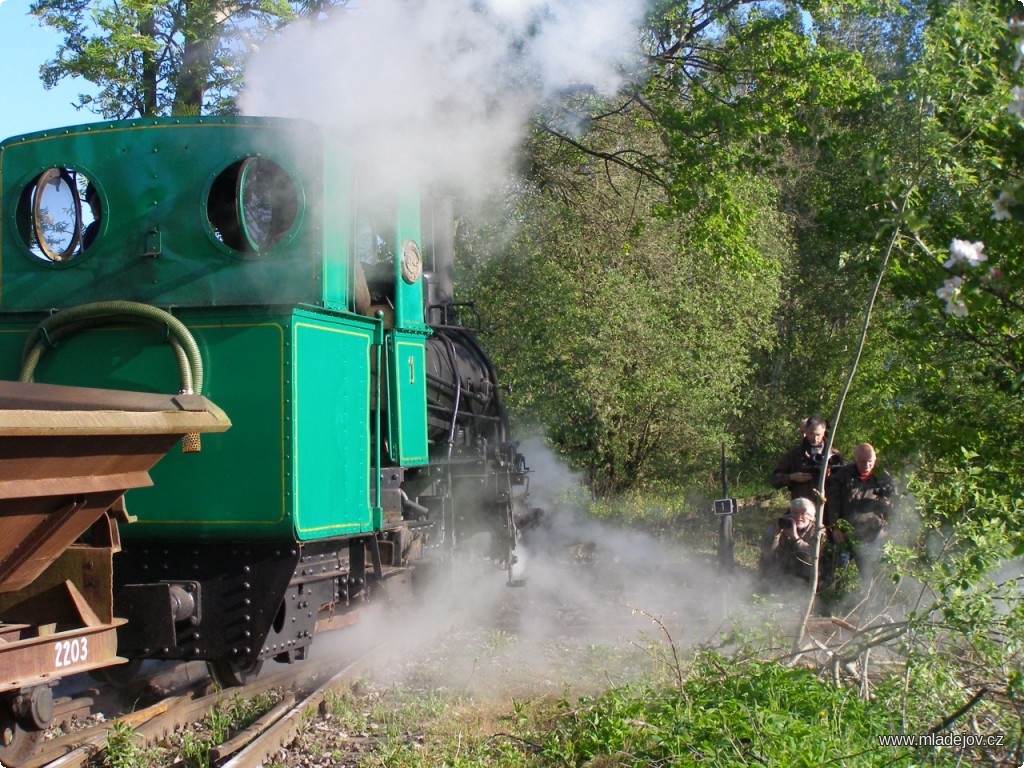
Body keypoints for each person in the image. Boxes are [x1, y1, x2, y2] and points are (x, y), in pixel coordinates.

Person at [825, 443, 895, 585]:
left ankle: (870, 603)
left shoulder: (883, 477)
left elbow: (896, 504)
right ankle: (834, 600)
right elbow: (832, 504)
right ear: (856, 459)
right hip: (846, 533)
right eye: (863, 461)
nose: (867, 465)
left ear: (875, 460)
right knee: (838, 573)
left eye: (870, 461)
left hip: (873, 533)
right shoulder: (843, 475)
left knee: (870, 575)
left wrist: (886, 502)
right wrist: (835, 527)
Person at [770, 415, 842, 502]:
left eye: (818, 435)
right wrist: (792, 477)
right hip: (802, 508)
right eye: (811, 433)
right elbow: (774, 480)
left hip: (826, 506)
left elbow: (845, 480)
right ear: (806, 431)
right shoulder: (795, 454)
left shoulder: (833, 455)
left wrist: (830, 475)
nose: (815, 438)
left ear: (824, 431)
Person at [759, 497, 818, 584]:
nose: (799, 517)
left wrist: (795, 538)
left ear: (812, 517)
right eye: (795, 513)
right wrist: (776, 535)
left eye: (804, 514)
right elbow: (766, 551)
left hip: (804, 576)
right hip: (780, 572)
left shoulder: (818, 531)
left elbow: (812, 556)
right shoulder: (782, 523)